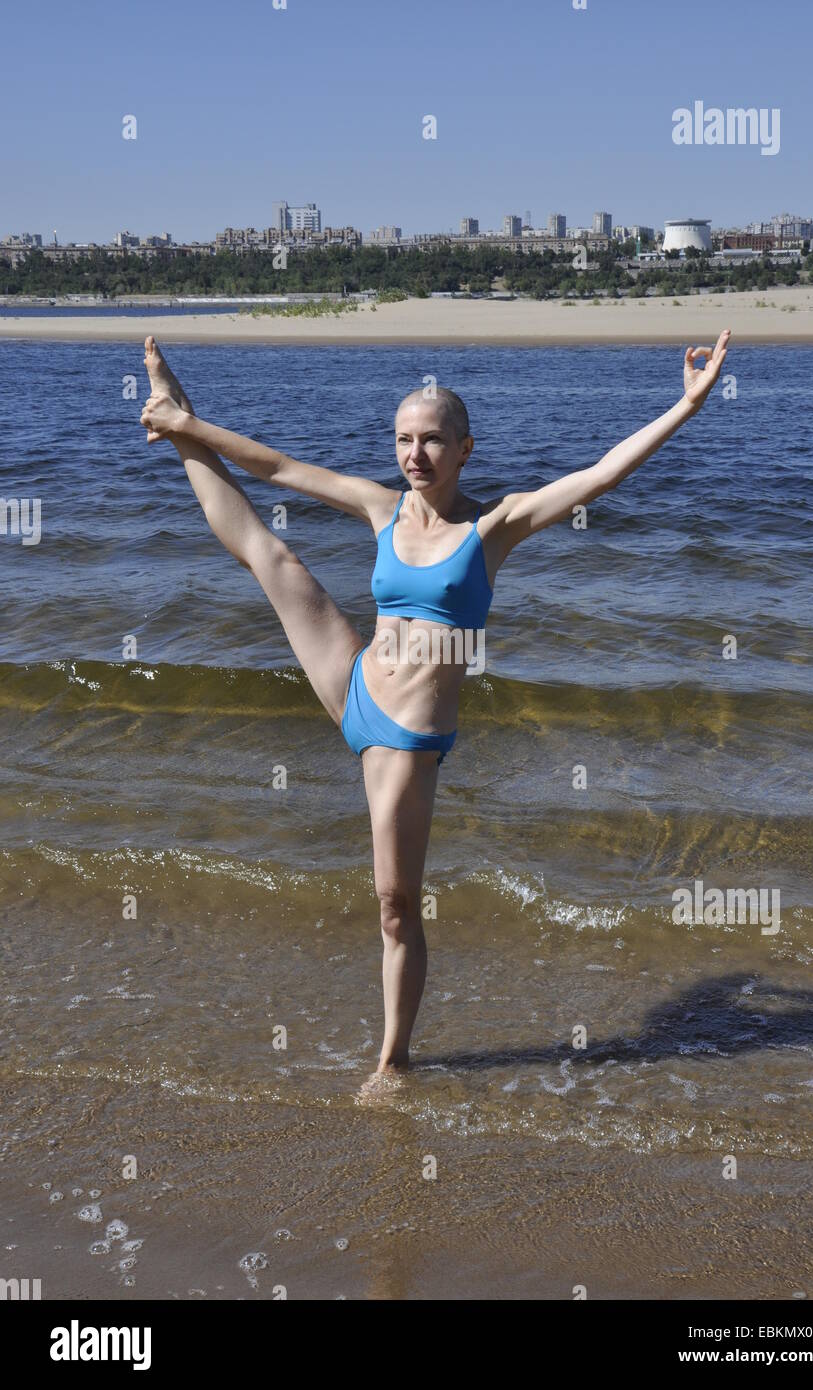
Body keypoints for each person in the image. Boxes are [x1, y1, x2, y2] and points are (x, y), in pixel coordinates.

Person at [139, 328, 731, 1074]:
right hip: (353, 679)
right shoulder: (381, 508)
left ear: (464, 450)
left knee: (394, 906)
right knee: (269, 553)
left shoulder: (492, 527)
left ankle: (392, 1062)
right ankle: (171, 407)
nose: (413, 454)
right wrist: (187, 422)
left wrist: (685, 406)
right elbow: (276, 465)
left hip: (406, 739)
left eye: (430, 441)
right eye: (402, 440)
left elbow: (602, 473)